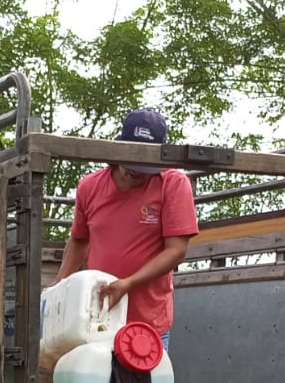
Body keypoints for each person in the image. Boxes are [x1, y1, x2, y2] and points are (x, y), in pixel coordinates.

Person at [55, 108, 199, 350]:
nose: (136, 172)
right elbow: (79, 239)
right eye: (132, 163)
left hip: (147, 323)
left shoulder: (173, 183)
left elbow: (176, 250)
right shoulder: (90, 186)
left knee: (144, 375)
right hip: (96, 317)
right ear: (119, 150)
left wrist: (128, 283)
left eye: (144, 168)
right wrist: (59, 285)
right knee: (88, 375)